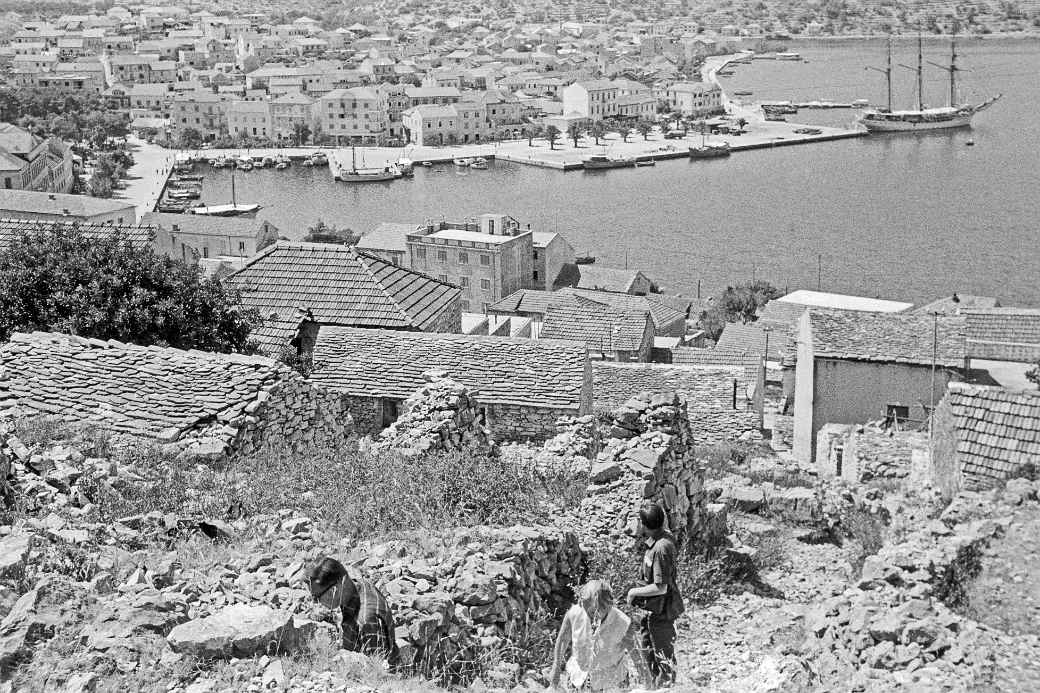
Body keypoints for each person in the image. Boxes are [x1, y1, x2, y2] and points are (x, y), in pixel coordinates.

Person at [626, 502, 684, 687]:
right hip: (651, 610)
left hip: (662, 612)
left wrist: (634, 591)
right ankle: (653, 686)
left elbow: (661, 587)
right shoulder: (659, 538)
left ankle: (666, 687)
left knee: (663, 659)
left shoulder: (661, 548)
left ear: (644, 524)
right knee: (647, 652)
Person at [550, 580, 646, 691]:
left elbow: (638, 659)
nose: (592, 617)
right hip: (578, 678)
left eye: (596, 612)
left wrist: (647, 686)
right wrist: (556, 669)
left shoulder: (623, 623)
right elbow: (562, 640)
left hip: (612, 683)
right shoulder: (574, 613)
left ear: (609, 605)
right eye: (588, 611)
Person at [307, 557, 400, 666]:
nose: (317, 603)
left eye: (317, 597)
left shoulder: (366, 621)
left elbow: (376, 671)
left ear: (334, 590)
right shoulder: (354, 587)